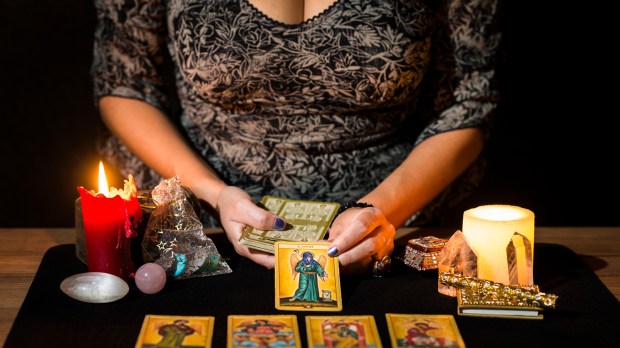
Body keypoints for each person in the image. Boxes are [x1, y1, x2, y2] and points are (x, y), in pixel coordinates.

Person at [91, 0, 502, 274]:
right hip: (200, 227)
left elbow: (470, 99)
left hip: (393, 226)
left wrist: (383, 210)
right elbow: (126, 85)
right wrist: (213, 193)